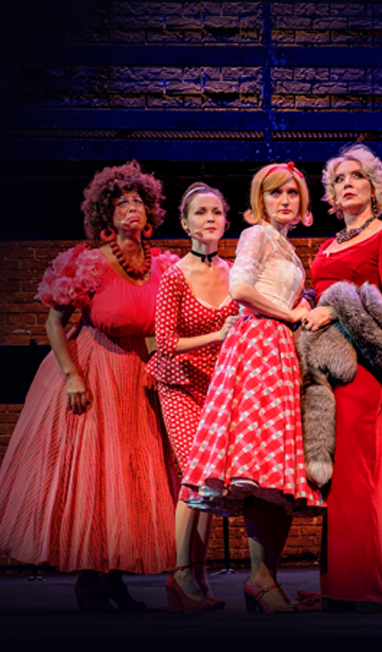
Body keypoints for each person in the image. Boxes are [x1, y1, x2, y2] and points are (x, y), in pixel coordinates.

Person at [0, 160, 178, 613]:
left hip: (137, 377)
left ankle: (113, 578)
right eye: (121, 203)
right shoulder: (88, 263)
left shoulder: (162, 266)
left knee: (127, 479)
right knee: (95, 477)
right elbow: (54, 323)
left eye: (138, 201)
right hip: (94, 369)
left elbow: (159, 328)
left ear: (151, 212)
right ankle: (89, 580)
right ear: (106, 216)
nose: (131, 207)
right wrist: (72, 376)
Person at [180, 162, 324, 614]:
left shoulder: (286, 246)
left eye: (292, 193)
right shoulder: (256, 235)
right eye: (275, 193)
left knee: (276, 471)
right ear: (260, 200)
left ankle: (265, 579)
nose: (285, 200)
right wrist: (290, 312)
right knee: (260, 468)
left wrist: (303, 307)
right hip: (259, 344)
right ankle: (258, 579)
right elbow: (241, 289)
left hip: (278, 348)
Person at [302, 143, 382, 612]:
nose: (347, 184)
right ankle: (341, 585)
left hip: (361, 368)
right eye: (339, 179)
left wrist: (338, 309)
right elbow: (319, 296)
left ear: (375, 186)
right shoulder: (328, 245)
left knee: (357, 475)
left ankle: (366, 587)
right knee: (335, 479)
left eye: (356, 176)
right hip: (323, 367)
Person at [146, 182, 239, 613]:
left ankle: (198, 576)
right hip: (180, 384)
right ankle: (180, 574)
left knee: (211, 484)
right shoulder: (174, 275)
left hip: (217, 387)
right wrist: (217, 335)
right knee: (195, 476)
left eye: (216, 212)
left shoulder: (236, 273)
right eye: (200, 212)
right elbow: (165, 342)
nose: (210, 219)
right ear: (185, 224)